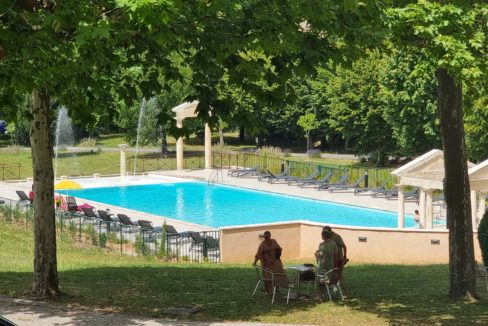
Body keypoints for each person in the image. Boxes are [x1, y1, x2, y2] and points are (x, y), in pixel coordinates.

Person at [323, 225, 349, 297]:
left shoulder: (337, 237)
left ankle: (345, 293)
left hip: (338, 260)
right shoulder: (327, 237)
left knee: (340, 277)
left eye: (326, 232)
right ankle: (331, 292)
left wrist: (344, 256)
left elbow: (344, 246)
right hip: (331, 260)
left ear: (330, 231)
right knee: (329, 275)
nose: (324, 234)